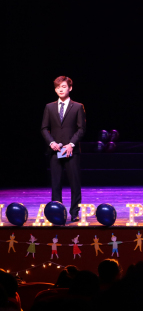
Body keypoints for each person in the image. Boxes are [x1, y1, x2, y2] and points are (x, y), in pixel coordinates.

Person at [40, 76, 86, 222]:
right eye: (58, 87)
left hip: (71, 150)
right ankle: (57, 212)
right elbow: (44, 128)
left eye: (64, 86)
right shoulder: (49, 107)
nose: (61, 89)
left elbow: (81, 129)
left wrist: (71, 144)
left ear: (70, 88)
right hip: (55, 151)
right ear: (55, 89)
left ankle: (74, 212)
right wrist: (51, 142)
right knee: (56, 183)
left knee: (75, 183)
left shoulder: (77, 107)